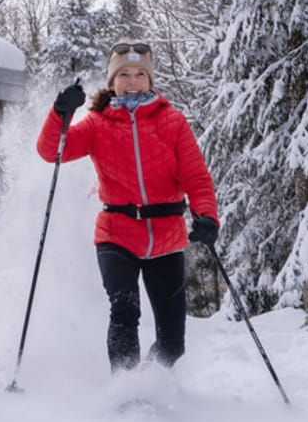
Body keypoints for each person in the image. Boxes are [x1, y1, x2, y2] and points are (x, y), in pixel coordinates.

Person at [36, 40, 219, 373]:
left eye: (139, 74)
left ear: (150, 81)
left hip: (166, 237)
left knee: (172, 344)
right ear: (112, 82)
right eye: (123, 74)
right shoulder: (96, 123)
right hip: (116, 233)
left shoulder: (172, 121)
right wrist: (60, 113)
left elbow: (196, 177)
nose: (132, 80)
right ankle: (124, 390)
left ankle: (149, 380)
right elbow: (53, 152)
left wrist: (206, 215)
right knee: (124, 308)